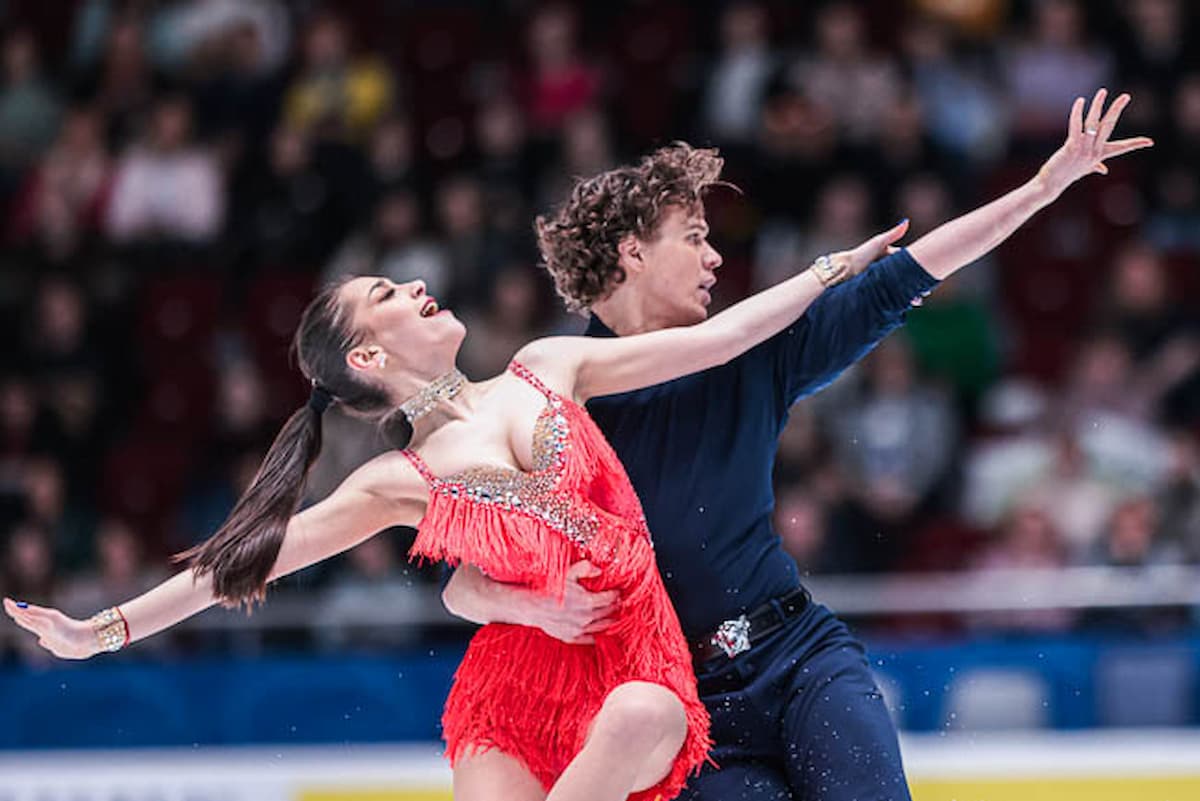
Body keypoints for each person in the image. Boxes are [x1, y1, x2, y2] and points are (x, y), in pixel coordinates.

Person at [2, 161, 911, 800]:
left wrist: (834, 268)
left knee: (645, 716)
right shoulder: (395, 482)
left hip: (632, 677)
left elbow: (718, 340)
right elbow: (240, 563)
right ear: (368, 353)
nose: (418, 282)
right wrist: (106, 628)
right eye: (390, 294)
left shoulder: (545, 363)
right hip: (516, 690)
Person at [442, 90, 1151, 800]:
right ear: (632, 252)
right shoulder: (547, 403)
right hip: (679, 703)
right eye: (693, 237)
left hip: (798, 655)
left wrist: (1042, 187)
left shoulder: (747, 352)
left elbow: (904, 277)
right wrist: (537, 605)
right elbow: (463, 585)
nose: (715, 257)